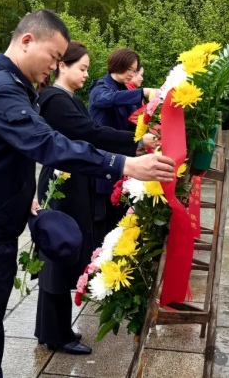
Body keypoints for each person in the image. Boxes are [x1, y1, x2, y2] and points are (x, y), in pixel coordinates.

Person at [0, 9, 175, 378]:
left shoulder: (10, 84)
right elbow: (47, 144)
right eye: (53, 57)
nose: (54, 67)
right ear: (27, 41)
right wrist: (126, 165)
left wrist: (23, 194)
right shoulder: (2, 90)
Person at [33, 41, 158, 354]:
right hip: (63, 184)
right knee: (59, 255)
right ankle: (55, 333)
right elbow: (91, 133)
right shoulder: (54, 100)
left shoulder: (68, 98)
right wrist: (137, 143)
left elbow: (90, 132)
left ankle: (52, 329)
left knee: (63, 254)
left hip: (74, 181)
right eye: (82, 68)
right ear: (62, 66)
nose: (87, 74)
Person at [88, 48, 157, 245]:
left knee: (119, 222)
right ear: (117, 65)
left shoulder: (122, 90)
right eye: (129, 69)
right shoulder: (100, 88)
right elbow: (107, 99)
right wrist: (142, 92)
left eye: (134, 70)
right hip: (102, 165)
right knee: (103, 226)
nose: (132, 74)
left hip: (122, 163)